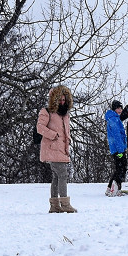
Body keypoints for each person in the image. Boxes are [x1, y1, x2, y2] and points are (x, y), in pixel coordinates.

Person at [37, 85, 77, 213]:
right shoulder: (47, 111)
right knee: (63, 174)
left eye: (64, 100)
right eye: (59, 99)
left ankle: (55, 205)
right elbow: (40, 127)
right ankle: (65, 204)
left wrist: (68, 141)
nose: (62, 102)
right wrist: (53, 135)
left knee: (56, 176)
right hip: (52, 148)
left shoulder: (65, 114)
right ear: (54, 99)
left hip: (62, 150)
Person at [104, 100, 128, 196]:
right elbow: (117, 136)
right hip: (118, 149)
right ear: (114, 109)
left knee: (119, 168)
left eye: (121, 108)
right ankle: (116, 188)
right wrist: (121, 150)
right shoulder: (114, 119)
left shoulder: (114, 119)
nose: (120, 110)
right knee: (121, 168)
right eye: (118, 108)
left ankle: (110, 188)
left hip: (117, 148)